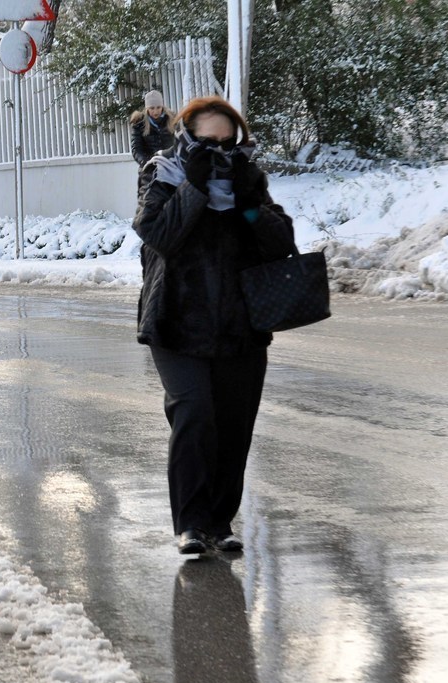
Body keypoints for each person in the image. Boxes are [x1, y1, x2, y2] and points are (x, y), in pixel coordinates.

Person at [132, 96, 295, 556]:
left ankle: (219, 523)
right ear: (186, 136)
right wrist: (196, 188)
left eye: (228, 142)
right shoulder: (162, 173)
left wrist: (247, 203)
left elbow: (280, 243)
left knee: (233, 425)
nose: (219, 152)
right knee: (194, 413)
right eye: (207, 142)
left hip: (239, 324)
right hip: (175, 321)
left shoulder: (248, 180)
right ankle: (190, 524)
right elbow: (159, 235)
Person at [131, 90, 175, 168]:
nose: (155, 112)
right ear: (147, 108)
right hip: (150, 165)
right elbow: (137, 149)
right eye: (152, 108)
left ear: (162, 106)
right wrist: (145, 162)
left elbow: (179, 142)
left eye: (158, 107)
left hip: (171, 164)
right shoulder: (139, 124)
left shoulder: (172, 119)